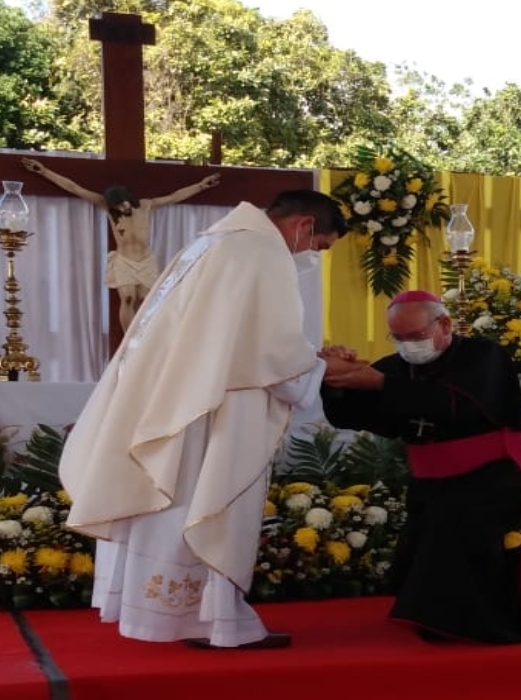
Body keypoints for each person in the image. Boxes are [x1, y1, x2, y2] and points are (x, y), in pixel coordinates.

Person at [59, 190, 354, 650]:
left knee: (174, 504)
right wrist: (321, 368)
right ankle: (211, 620)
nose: (312, 256)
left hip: (182, 397)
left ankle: (179, 615)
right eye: (320, 246)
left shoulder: (210, 243)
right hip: (214, 412)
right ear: (303, 226)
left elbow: (237, 340)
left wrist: (310, 359)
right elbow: (270, 353)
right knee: (201, 501)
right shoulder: (259, 251)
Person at [319, 290, 521, 644]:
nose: (408, 345)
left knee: (453, 537)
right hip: (432, 477)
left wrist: (379, 384)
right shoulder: (395, 367)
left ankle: (463, 623)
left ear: (444, 324)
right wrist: (335, 380)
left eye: (415, 336)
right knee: (436, 540)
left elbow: (455, 404)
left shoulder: (483, 356)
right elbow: (353, 414)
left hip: (490, 474)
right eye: (399, 338)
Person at [20, 157, 222, 332]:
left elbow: (175, 196)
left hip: (145, 260)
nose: (122, 207)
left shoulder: (145, 205)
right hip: (124, 260)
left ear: (128, 198)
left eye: (123, 203)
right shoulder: (107, 207)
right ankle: (130, 340)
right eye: (117, 205)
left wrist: (201, 185)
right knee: (127, 298)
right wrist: (44, 171)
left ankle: (144, 336)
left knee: (146, 300)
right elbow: (75, 188)